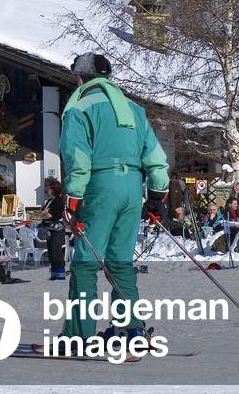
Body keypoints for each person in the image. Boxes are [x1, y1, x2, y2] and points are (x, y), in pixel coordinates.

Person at [59, 52, 170, 345]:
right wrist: (157, 196)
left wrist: (73, 200)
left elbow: (78, 158)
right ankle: (130, 328)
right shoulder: (134, 109)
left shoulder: (79, 109)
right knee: (120, 262)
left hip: (100, 186)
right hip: (133, 187)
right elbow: (156, 158)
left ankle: (78, 336)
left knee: (85, 262)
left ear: (80, 79)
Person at [39, 177, 67, 280]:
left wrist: (46, 213)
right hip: (49, 229)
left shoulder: (59, 201)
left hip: (57, 229)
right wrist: (45, 213)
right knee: (51, 251)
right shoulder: (50, 201)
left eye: (49, 188)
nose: (47, 189)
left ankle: (60, 273)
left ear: (54, 189)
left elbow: (49, 215)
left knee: (56, 251)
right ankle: (54, 273)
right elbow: (42, 214)